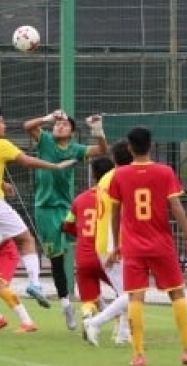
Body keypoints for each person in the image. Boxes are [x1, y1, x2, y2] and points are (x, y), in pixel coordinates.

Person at [107, 127, 187, 366]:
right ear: (150, 146)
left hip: (133, 246)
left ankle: (139, 355)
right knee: (177, 293)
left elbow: (115, 211)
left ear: (129, 148)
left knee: (135, 298)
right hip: (161, 244)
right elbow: (176, 206)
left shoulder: (119, 175)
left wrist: (116, 243)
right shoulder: (165, 172)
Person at [0, 105, 76, 308]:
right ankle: (35, 284)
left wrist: (2, 183)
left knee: (4, 228)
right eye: (1, 121)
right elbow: (26, 161)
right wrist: (54, 166)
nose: (4, 125)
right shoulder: (0, 144)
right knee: (27, 240)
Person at [23, 111, 108, 329]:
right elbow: (27, 126)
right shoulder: (45, 141)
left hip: (67, 207)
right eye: (57, 124)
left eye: (64, 124)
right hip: (45, 209)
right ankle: (66, 305)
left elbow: (102, 150)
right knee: (57, 260)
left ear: (72, 131)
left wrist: (97, 130)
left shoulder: (76, 150)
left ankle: (96, 298)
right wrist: (47, 117)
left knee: (86, 249)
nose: (59, 126)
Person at [83, 141, 134, 346]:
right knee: (132, 293)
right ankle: (96, 322)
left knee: (126, 292)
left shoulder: (106, 178)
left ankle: (123, 335)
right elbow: (121, 212)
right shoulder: (124, 177)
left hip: (104, 240)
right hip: (115, 242)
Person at [62, 158, 116, 325]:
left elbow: (67, 225)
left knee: (88, 299)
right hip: (107, 255)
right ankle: (121, 329)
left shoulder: (80, 199)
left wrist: (81, 235)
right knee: (126, 292)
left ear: (93, 175)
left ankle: (87, 316)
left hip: (84, 256)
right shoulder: (113, 198)